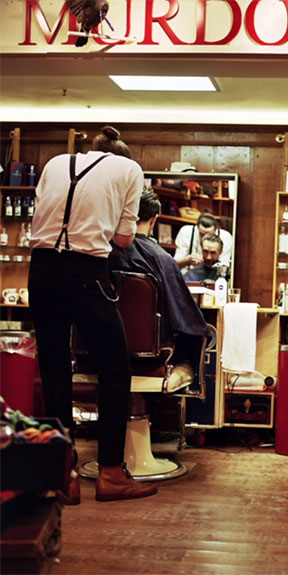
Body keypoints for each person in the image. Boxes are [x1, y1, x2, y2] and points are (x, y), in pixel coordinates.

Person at [28, 126, 157, 503]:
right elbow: (123, 239)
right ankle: (112, 473)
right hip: (86, 271)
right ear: (123, 156)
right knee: (115, 372)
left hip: (41, 269)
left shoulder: (54, 162)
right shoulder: (129, 170)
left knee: (54, 369)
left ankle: (62, 475)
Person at [109, 188, 209, 367]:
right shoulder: (162, 259)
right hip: (152, 359)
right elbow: (185, 317)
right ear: (154, 219)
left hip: (101, 354)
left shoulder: (103, 251)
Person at [174, 210, 233, 275]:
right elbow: (174, 265)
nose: (205, 238)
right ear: (197, 228)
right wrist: (187, 260)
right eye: (202, 234)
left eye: (209, 234)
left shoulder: (225, 237)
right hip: (188, 277)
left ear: (216, 230)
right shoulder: (186, 232)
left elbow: (224, 267)